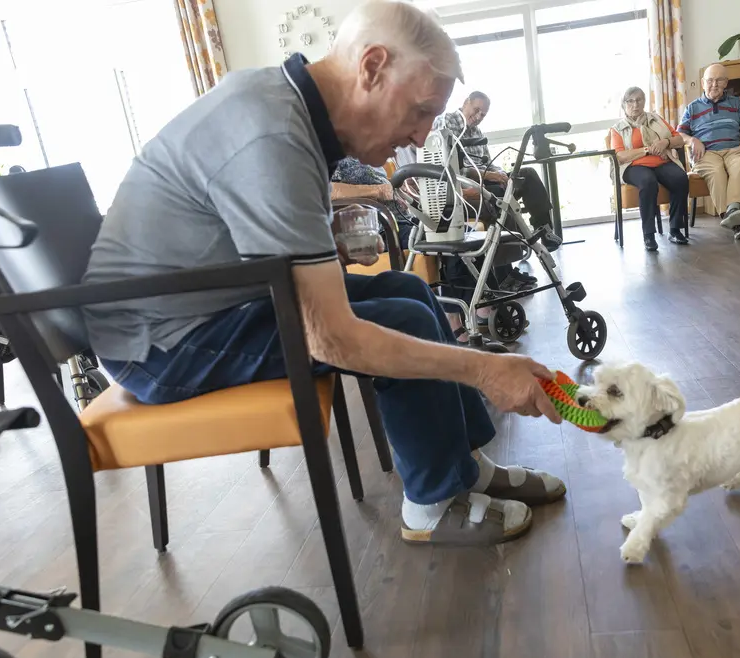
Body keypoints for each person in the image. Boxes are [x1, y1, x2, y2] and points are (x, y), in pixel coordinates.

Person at [80, 1, 565, 547]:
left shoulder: (285, 107)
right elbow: (331, 338)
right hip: (161, 346)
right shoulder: (274, 135)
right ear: (372, 66)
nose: (420, 136)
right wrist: (483, 369)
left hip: (206, 305)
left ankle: (462, 467)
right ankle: (430, 504)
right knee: (401, 318)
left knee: (406, 287)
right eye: (420, 111)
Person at [433, 91, 563, 262]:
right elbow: (456, 168)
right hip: (467, 185)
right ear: (466, 102)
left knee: (527, 175)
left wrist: (500, 173)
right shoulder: (447, 121)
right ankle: (506, 268)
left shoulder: (477, 131)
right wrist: (491, 175)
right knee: (501, 200)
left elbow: (488, 162)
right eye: (476, 109)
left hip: (487, 178)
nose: (478, 116)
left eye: (483, 114)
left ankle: (544, 230)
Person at [678, 63, 740, 240]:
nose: (714, 84)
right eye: (710, 80)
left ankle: (732, 212)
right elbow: (680, 134)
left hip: (734, 149)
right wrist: (692, 140)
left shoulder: (736, 103)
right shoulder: (693, 107)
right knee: (716, 171)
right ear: (702, 82)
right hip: (706, 153)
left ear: (726, 83)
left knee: (738, 165)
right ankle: (736, 219)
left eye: (719, 80)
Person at [610, 86, 689, 251]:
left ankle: (674, 230)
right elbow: (620, 156)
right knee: (648, 182)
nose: (635, 104)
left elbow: (679, 140)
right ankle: (649, 234)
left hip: (661, 161)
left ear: (644, 102)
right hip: (634, 166)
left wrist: (664, 143)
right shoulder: (617, 129)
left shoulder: (656, 119)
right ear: (624, 105)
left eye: (639, 100)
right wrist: (646, 149)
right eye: (630, 101)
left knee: (680, 178)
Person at [331, 155, 415, 249]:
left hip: (401, 222)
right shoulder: (327, 151)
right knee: (431, 241)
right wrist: (380, 191)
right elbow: (325, 191)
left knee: (432, 228)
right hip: (382, 231)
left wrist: (397, 188)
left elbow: (372, 183)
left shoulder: (356, 152)